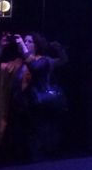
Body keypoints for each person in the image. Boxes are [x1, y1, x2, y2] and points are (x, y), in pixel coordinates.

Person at [9, 32, 68, 162]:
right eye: (25, 41)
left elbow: (35, 67)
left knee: (38, 130)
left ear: (36, 45)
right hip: (21, 103)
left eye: (29, 42)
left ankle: (38, 158)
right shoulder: (20, 61)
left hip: (38, 102)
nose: (25, 43)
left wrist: (60, 49)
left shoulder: (44, 60)